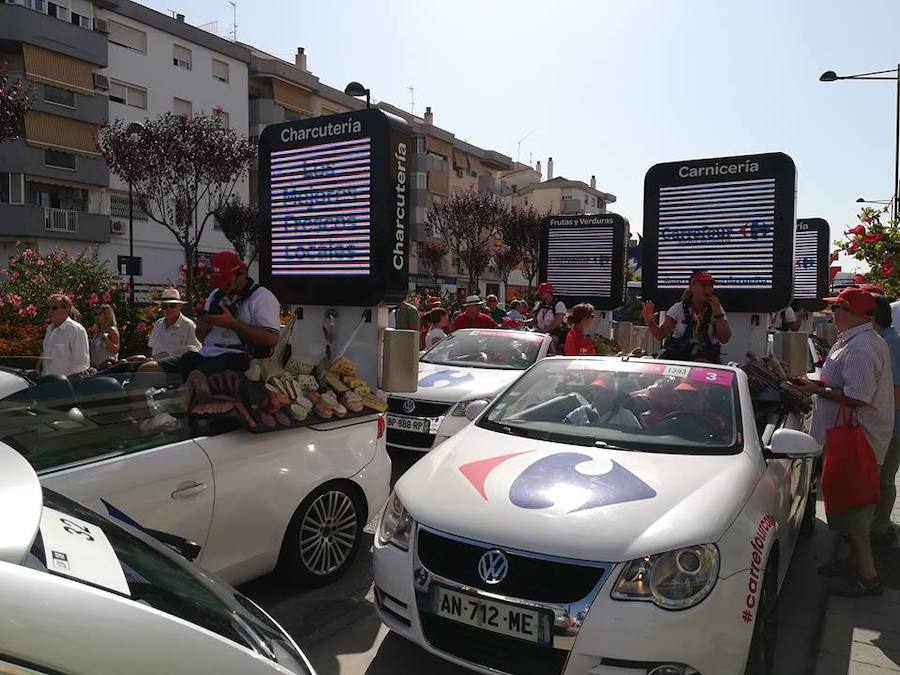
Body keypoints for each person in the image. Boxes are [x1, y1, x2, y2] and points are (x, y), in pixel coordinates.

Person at [793, 287, 894, 597]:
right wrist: (818, 384)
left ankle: (868, 576)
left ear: (852, 313)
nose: (832, 313)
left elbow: (856, 397)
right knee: (850, 508)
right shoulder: (856, 340)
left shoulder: (862, 347)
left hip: (858, 440)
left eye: (837, 308)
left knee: (856, 513)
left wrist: (817, 391)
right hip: (851, 437)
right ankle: (854, 564)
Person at [140, 251, 280, 379]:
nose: (224, 289)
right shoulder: (216, 294)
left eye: (227, 283)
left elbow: (271, 339)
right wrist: (205, 323)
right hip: (206, 354)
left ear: (242, 273)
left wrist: (232, 324)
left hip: (239, 357)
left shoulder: (261, 297)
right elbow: (200, 337)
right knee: (147, 370)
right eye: (220, 284)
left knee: (196, 375)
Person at [642, 270, 732, 363]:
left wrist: (718, 313)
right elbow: (660, 334)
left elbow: (725, 339)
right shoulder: (678, 308)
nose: (708, 289)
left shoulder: (716, 308)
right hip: (679, 357)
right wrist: (649, 321)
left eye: (711, 285)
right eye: (703, 285)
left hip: (706, 359)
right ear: (692, 287)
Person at [870, 294, 900, 547]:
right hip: (887, 426)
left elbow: (896, 392)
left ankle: (878, 529)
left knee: (884, 480)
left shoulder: (891, 345)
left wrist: (881, 426)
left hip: (891, 428)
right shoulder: (885, 341)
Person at [40, 293, 90, 378]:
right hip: (48, 383)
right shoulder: (49, 330)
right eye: (48, 308)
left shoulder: (76, 329)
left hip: (66, 385)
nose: (50, 311)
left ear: (67, 309)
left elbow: (82, 364)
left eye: (54, 308)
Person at [147, 288, 201, 359]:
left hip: (176, 367)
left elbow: (195, 350)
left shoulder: (188, 325)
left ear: (180, 306)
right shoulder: (158, 323)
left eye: (172, 306)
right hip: (156, 365)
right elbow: (152, 347)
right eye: (164, 306)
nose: (168, 309)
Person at [90, 304, 120, 369]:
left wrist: (106, 339)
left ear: (107, 315)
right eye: (95, 314)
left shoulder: (111, 329)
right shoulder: (98, 331)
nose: (97, 317)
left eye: (100, 314)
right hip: (97, 369)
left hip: (109, 369)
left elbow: (115, 350)